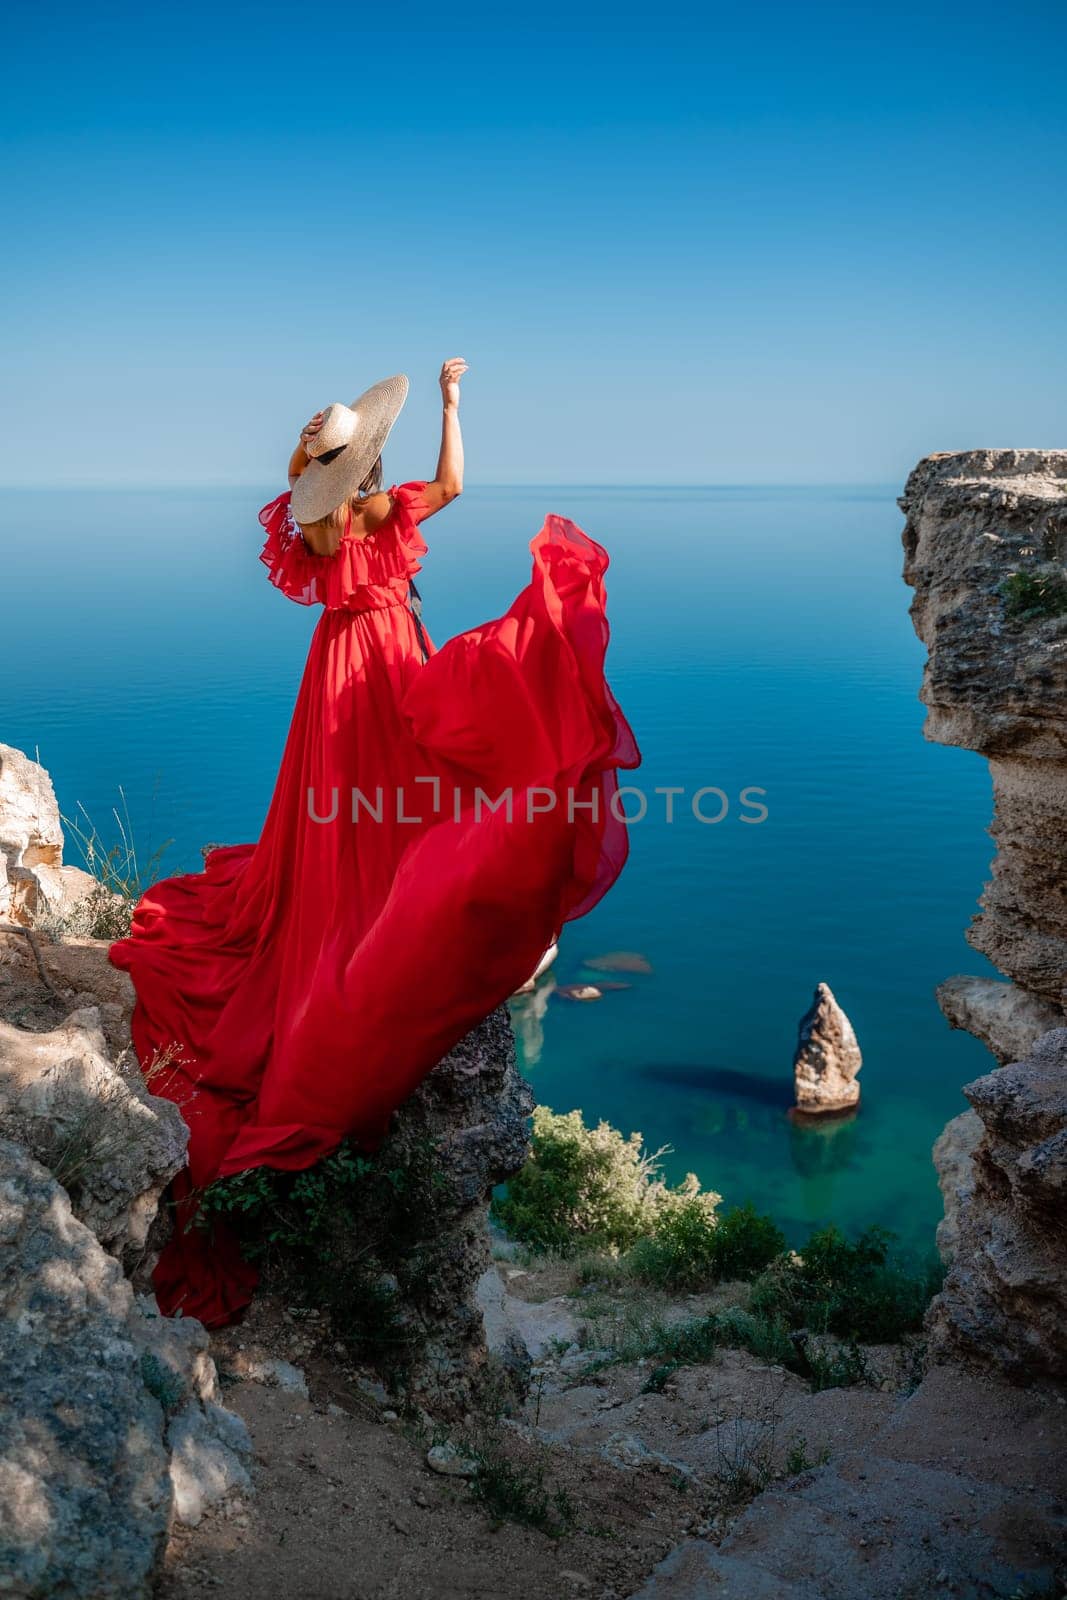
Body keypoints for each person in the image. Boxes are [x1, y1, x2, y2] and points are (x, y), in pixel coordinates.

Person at [110, 358, 640, 1327]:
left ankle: (352, 896)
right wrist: (450, 403)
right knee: (415, 784)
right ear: (369, 460)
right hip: (389, 656)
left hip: (333, 669)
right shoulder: (386, 511)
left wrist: (314, 457)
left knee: (335, 811)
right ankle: (405, 890)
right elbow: (454, 486)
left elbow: (300, 499)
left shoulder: (316, 522)